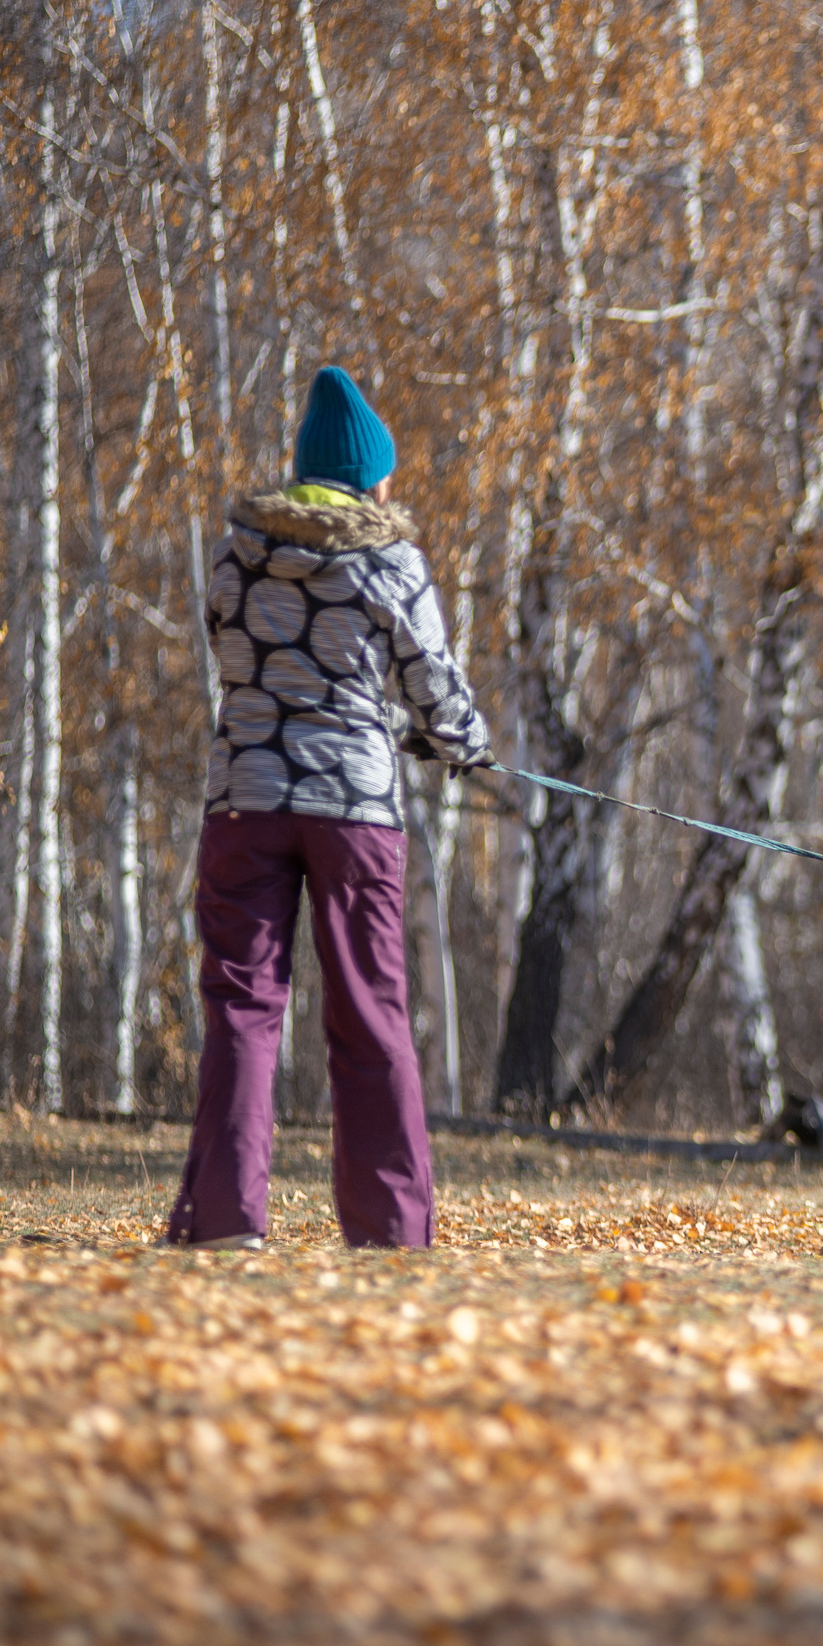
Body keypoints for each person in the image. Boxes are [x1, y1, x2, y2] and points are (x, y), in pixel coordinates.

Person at [161, 367, 491, 1251]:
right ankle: (390, 1228)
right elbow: (433, 686)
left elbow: (228, 645)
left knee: (242, 1004)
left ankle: (225, 1219)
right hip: (354, 806)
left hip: (246, 798)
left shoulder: (236, 550)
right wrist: (463, 743)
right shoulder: (390, 558)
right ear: (368, 476)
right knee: (370, 1009)